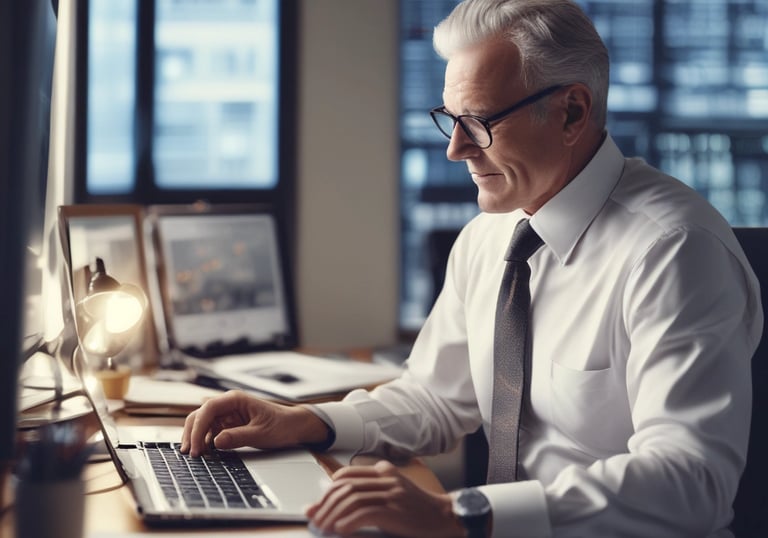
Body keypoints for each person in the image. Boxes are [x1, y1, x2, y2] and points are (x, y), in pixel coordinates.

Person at [180, 0, 763, 536]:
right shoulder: (491, 235)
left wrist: (459, 513)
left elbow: (692, 480)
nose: (455, 148)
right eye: (450, 118)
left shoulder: (675, 251)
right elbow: (435, 397)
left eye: (480, 121)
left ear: (572, 112)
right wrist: (308, 421)